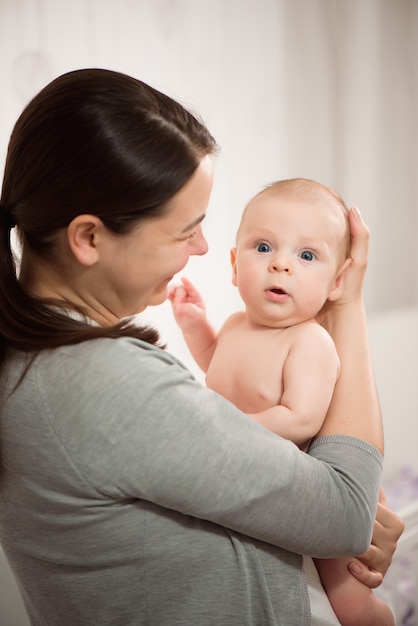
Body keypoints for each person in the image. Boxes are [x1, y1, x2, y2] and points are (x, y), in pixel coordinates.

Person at [0, 69, 403, 626]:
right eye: (185, 230)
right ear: (89, 238)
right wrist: (347, 305)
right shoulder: (102, 380)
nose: (204, 246)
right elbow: (348, 515)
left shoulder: (37, 359)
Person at [169, 178, 397, 625]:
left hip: (310, 485)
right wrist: (196, 327)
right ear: (234, 266)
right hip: (257, 483)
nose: (281, 266)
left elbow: (300, 418)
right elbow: (219, 364)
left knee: (347, 592)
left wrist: (220, 423)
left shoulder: (310, 341)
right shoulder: (234, 324)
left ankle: (377, 618)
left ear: (337, 283)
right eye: (263, 247)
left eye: (306, 256)